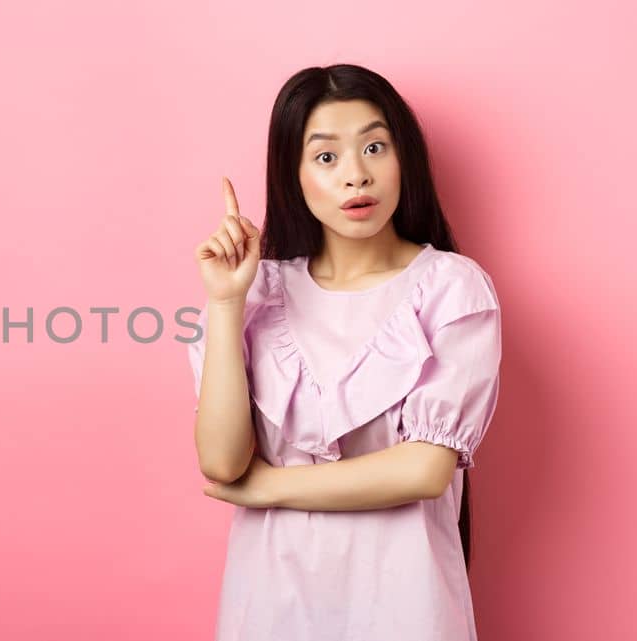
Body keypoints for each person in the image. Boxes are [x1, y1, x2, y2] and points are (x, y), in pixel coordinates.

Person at [187, 64, 503, 640]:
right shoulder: (257, 292)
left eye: (375, 147)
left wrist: (271, 487)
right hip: (269, 605)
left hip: (406, 608)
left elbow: (424, 469)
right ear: (294, 174)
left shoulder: (451, 287)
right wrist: (228, 302)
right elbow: (222, 462)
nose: (356, 176)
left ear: (404, 158)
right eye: (326, 157)